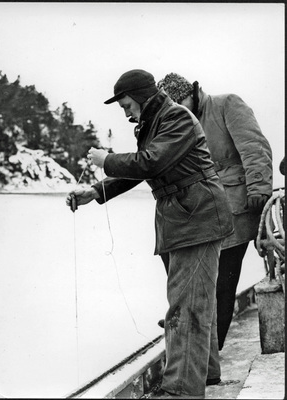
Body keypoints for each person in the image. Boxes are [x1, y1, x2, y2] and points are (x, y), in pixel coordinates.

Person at [66, 69, 233, 399]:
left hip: (197, 219)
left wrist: (106, 160)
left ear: (141, 96)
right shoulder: (154, 123)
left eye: (126, 104)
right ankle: (207, 373)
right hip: (183, 220)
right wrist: (96, 192)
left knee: (185, 308)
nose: (126, 112)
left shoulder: (176, 118)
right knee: (195, 301)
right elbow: (144, 168)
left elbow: (150, 163)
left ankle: (181, 391)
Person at [157, 73, 273, 351]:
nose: (180, 111)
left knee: (222, 282)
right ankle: (190, 329)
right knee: (196, 279)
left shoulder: (227, 105)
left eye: (181, 102)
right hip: (201, 213)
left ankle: (210, 349)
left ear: (193, 93)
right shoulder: (177, 123)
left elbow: (255, 147)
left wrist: (259, 188)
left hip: (236, 209)